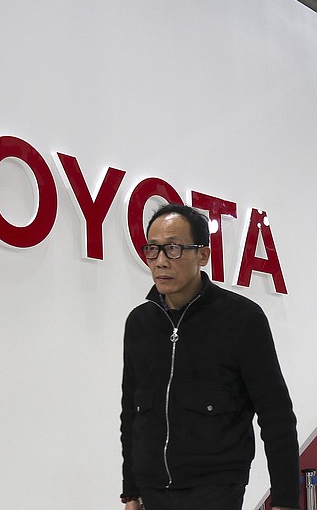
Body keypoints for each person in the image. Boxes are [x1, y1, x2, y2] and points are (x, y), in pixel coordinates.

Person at [120, 204, 300, 510]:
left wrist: (285, 500)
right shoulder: (139, 322)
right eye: (153, 249)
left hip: (215, 488)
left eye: (173, 248)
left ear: (202, 255)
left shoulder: (242, 319)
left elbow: (276, 415)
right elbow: (131, 412)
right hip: (152, 488)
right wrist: (131, 490)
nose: (160, 261)